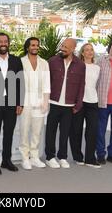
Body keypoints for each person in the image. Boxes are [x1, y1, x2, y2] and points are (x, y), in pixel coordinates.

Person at [0, 32, 24, 175]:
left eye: (5, 41)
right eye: (0, 41)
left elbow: (20, 83)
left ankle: (6, 161)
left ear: (8, 43)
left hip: (12, 103)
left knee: (9, 133)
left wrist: (20, 103)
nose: (3, 44)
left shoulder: (16, 61)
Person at [44, 38, 86, 169]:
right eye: (62, 45)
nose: (63, 48)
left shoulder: (80, 65)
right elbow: (46, 82)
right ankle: (50, 157)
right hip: (53, 102)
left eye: (66, 47)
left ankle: (62, 156)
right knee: (50, 131)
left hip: (69, 105)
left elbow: (81, 86)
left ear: (73, 48)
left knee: (65, 132)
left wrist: (78, 104)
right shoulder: (52, 61)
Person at [19, 37, 50, 170]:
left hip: (39, 101)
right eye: (33, 45)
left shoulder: (44, 63)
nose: (35, 47)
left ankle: (35, 157)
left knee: (37, 131)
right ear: (27, 47)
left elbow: (47, 82)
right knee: (24, 130)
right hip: (25, 100)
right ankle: (25, 158)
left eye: (37, 45)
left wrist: (45, 101)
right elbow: (18, 83)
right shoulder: (21, 62)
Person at [69, 43, 101, 169]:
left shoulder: (97, 68)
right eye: (86, 50)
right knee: (76, 130)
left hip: (93, 102)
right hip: (79, 102)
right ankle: (77, 157)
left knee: (92, 131)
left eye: (91, 50)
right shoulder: (77, 66)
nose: (89, 52)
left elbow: (97, 85)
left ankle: (90, 158)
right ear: (82, 53)